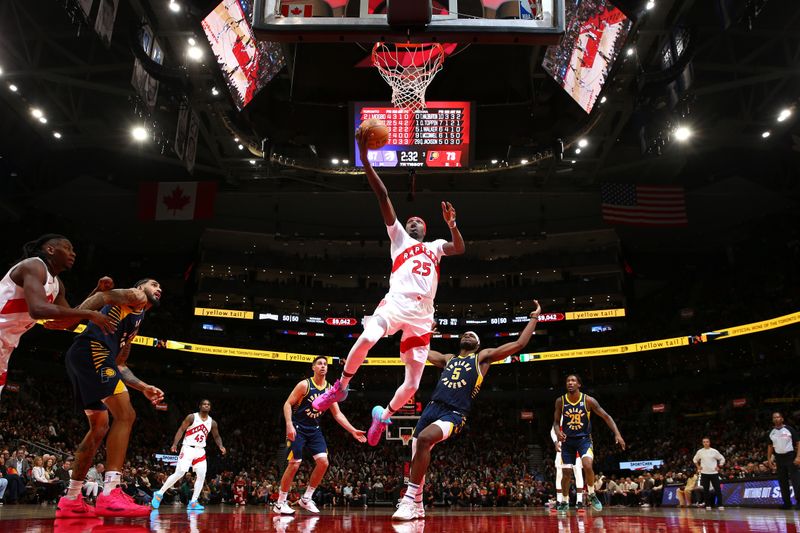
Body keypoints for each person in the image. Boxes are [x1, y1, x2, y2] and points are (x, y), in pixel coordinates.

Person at [312, 132, 465, 447]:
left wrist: (452, 224)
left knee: (412, 384)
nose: (412, 224)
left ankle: (382, 417)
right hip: (395, 303)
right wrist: (366, 160)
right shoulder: (399, 239)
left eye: (418, 222)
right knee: (367, 337)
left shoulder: (435, 246)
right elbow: (382, 196)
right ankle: (340, 386)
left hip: (422, 316)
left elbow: (460, 248)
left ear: (425, 230)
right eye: (409, 221)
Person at [392, 301, 541, 521]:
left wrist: (534, 318)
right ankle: (418, 506)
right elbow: (415, 352)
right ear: (460, 341)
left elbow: (519, 343)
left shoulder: (481, 358)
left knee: (423, 440)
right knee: (416, 452)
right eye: (465, 334)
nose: (468, 335)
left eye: (472, 335)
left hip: (454, 413)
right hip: (432, 408)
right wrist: (423, 333)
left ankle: (408, 500)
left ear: (478, 344)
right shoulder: (448, 359)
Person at [56, 279, 165, 518]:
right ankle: (111, 493)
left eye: (160, 288)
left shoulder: (136, 320)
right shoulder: (137, 296)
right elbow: (103, 297)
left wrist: (142, 386)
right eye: (154, 284)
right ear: (142, 285)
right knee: (126, 415)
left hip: (85, 356)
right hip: (93, 351)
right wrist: (73, 318)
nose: (158, 289)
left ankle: (71, 498)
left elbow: (119, 365)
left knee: (99, 427)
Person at [0, 234, 114, 397]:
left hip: (6, 344)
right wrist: (89, 313)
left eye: (73, 250)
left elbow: (70, 323)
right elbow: (38, 309)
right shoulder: (34, 266)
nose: (73, 253)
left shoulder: (57, 284)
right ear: (50, 249)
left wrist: (97, 294)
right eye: (67, 248)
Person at [274, 356, 366, 515]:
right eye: (319, 364)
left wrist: (352, 430)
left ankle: (306, 499)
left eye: (325, 364)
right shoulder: (304, 385)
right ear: (313, 368)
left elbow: (337, 414)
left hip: (314, 429)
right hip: (298, 427)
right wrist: (289, 424)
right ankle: (280, 502)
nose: (323, 366)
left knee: (323, 462)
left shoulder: (330, 390)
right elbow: (287, 404)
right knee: (295, 463)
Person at [553, 374, 625, 513]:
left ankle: (591, 494)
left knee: (587, 465)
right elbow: (556, 423)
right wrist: (557, 433)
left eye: (573, 380)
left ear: (579, 384)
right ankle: (565, 500)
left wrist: (617, 434)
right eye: (568, 381)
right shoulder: (560, 401)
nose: (570, 383)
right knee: (566, 473)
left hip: (584, 440)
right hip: (567, 442)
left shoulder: (588, 400)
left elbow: (606, 416)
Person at [151, 399, 226, 511]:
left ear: (210, 407)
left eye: (208, 404)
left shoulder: (212, 422)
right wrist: (175, 444)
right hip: (187, 448)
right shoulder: (192, 417)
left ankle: (194, 501)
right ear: (200, 406)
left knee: (201, 475)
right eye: (204, 404)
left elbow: (216, 436)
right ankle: (159, 493)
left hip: (200, 450)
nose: (206, 405)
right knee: (180, 473)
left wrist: (221, 446)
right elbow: (181, 429)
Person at [767, 411, 800, 509]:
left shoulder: (789, 429)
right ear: (772, 420)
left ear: (782, 419)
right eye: (774, 417)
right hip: (779, 458)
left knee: (796, 481)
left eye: (778, 417)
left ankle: (799, 503)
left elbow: (798, 443)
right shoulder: (771, 432)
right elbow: (770, 446)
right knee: (782, 482)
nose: (776, 419)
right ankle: (787, 503)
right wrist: (769, 460)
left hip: (791, 457)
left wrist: (798, 457)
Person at [550, 426, 585, 510]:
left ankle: (579, 502)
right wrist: (556, 442)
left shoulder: (578, 417)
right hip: (562, 450)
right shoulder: (560, 417)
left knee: (578, 474)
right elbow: (552, 431)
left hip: (576, 451)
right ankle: (560, 501)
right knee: (559, 475)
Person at [693, 437, 725, 510]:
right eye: (704, 442)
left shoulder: (714, 451)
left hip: (714, 473)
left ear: (709, 442)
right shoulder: (700, 452)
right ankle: (708, 505)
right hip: (704, 473)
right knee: (706, 490)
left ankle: (720, 505)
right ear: (702, 443)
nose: (705, 443)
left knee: (718, 489)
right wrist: (698, 466)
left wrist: (719, 466)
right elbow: (694, 459)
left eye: (707, 442)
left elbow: (722, 459)